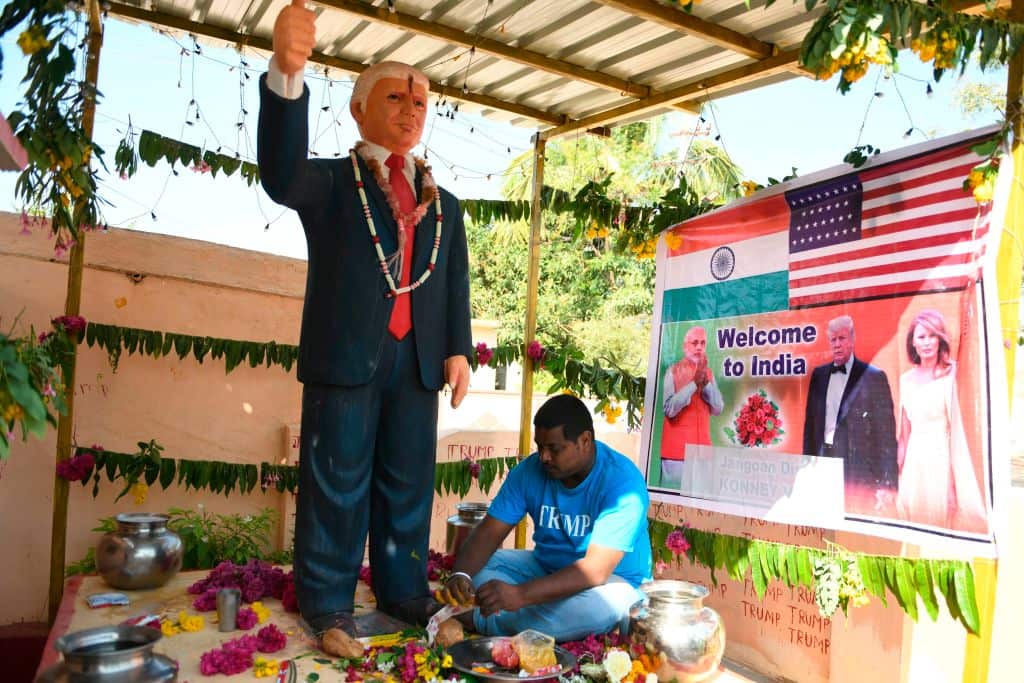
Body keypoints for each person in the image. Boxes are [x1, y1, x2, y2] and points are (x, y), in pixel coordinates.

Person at [258, 0, 473, 642]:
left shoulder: (446, 203)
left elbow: (453, 281)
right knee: (337, 481)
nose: (410, 113)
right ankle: (326, 600)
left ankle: (403, 588)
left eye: (419, 104)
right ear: (358, 108)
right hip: (348, 356)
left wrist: (458, 349)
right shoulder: (328, 184)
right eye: (395, 100)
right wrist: (287, 75)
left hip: (416, 362)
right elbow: (280, 174)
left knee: (408, 481)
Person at [436, 394, 651, 642]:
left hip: (612, 583)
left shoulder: (623, 484)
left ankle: (481, 619)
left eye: (554, 449)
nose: (544, 457)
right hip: (545, 570)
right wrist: (461, 576)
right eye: (540, 447)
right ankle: (522, 620)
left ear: (585, 441)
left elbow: (594, 571)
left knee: (602, 607)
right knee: (482, 566)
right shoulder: (530, 471)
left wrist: (520, 595)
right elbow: (488, 532)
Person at [896, 310, 985, 529]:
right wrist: (897, 475)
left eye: (932, 336)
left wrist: (953, 486)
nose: (927, 343)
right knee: (912, 526)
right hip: (914, 464)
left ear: (940, 339)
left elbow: (958, 431)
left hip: (942, 460)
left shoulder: (952, 374)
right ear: (913, 343)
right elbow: (905, 434)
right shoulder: (905, 380)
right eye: (921, 337)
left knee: (941, 525)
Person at [803, 315, 897, 514]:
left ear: (852, 340)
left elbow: (886, 436)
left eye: (842, 338)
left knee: (854, 520)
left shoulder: (874, 377)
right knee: (824, 516)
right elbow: (810, 427)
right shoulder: (818, 376)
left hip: (857, 465)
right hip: (824, 458)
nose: (837, 344)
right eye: (833, 340)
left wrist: (888, 484)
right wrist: (806, 464)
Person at [659, 326, 723, 488]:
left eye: (703, 343)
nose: (699, 347)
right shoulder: (672, 371)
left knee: (699, 505)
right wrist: (694, 383)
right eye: (695, 343)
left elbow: (718, 408)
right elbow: (669, 409)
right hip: (676, 456)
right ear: (684, 346)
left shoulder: (708, 374)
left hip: (702, 455)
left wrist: (705, 382)